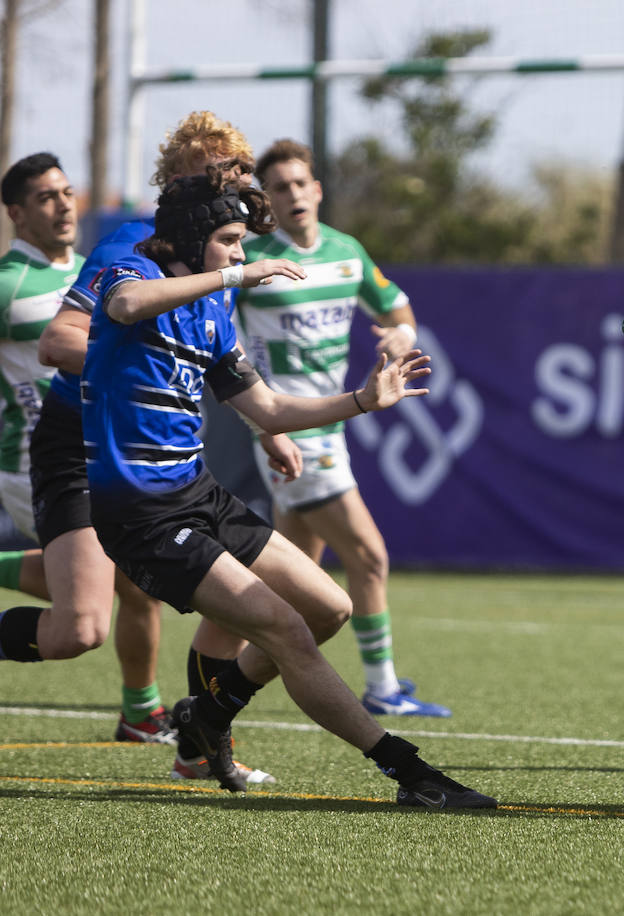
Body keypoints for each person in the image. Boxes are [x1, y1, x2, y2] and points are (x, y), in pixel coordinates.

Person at [82, 168, 492, 809]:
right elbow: (124, 308)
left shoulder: (213, 309)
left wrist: (362, 400)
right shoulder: (128, 269)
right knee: (285, 629)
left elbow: (269, 408)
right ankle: (410, 772)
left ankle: (208, 716)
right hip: (141, 513)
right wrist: (232, 276)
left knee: (329, 609)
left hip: (197, 492)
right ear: (194, 242)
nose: (243, 255)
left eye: (244, 244)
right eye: (230, 241)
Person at [32, 111, 287, 779]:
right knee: (78, 629)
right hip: (82, 438)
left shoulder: (222, 252)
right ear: (175, 177)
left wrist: (268, 425)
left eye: (231, 172)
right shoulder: (132, 244)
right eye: (208, 170)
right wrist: (129, 369)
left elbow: (217, 365)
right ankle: (161, 719)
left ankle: (190, 741)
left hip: (154, 453)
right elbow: (59, 343)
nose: (222, 183)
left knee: (229, 592)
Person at [236, 139, 447, 717]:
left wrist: (400, 334)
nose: (293, 194)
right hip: (291, 429)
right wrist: (261, 422)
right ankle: (381, 687)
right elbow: (223, 350)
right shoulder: (252, 263)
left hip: (332, 424)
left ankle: (220, 687)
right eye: (280, 187)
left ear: (318, 189)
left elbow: (397, 311)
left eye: (301, 183)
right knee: (369, 556)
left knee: (289, 586)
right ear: (267, 199)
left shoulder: (346, 252)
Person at [0, 154, 74, 605]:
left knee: (137, 586)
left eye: (66, 193)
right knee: (105, 584)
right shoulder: (8, 285)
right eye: (46, 198)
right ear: (17, 214)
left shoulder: (94, 269)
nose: (64, 205)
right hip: (32, 467)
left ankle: (142, 683)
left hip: (91, 458)